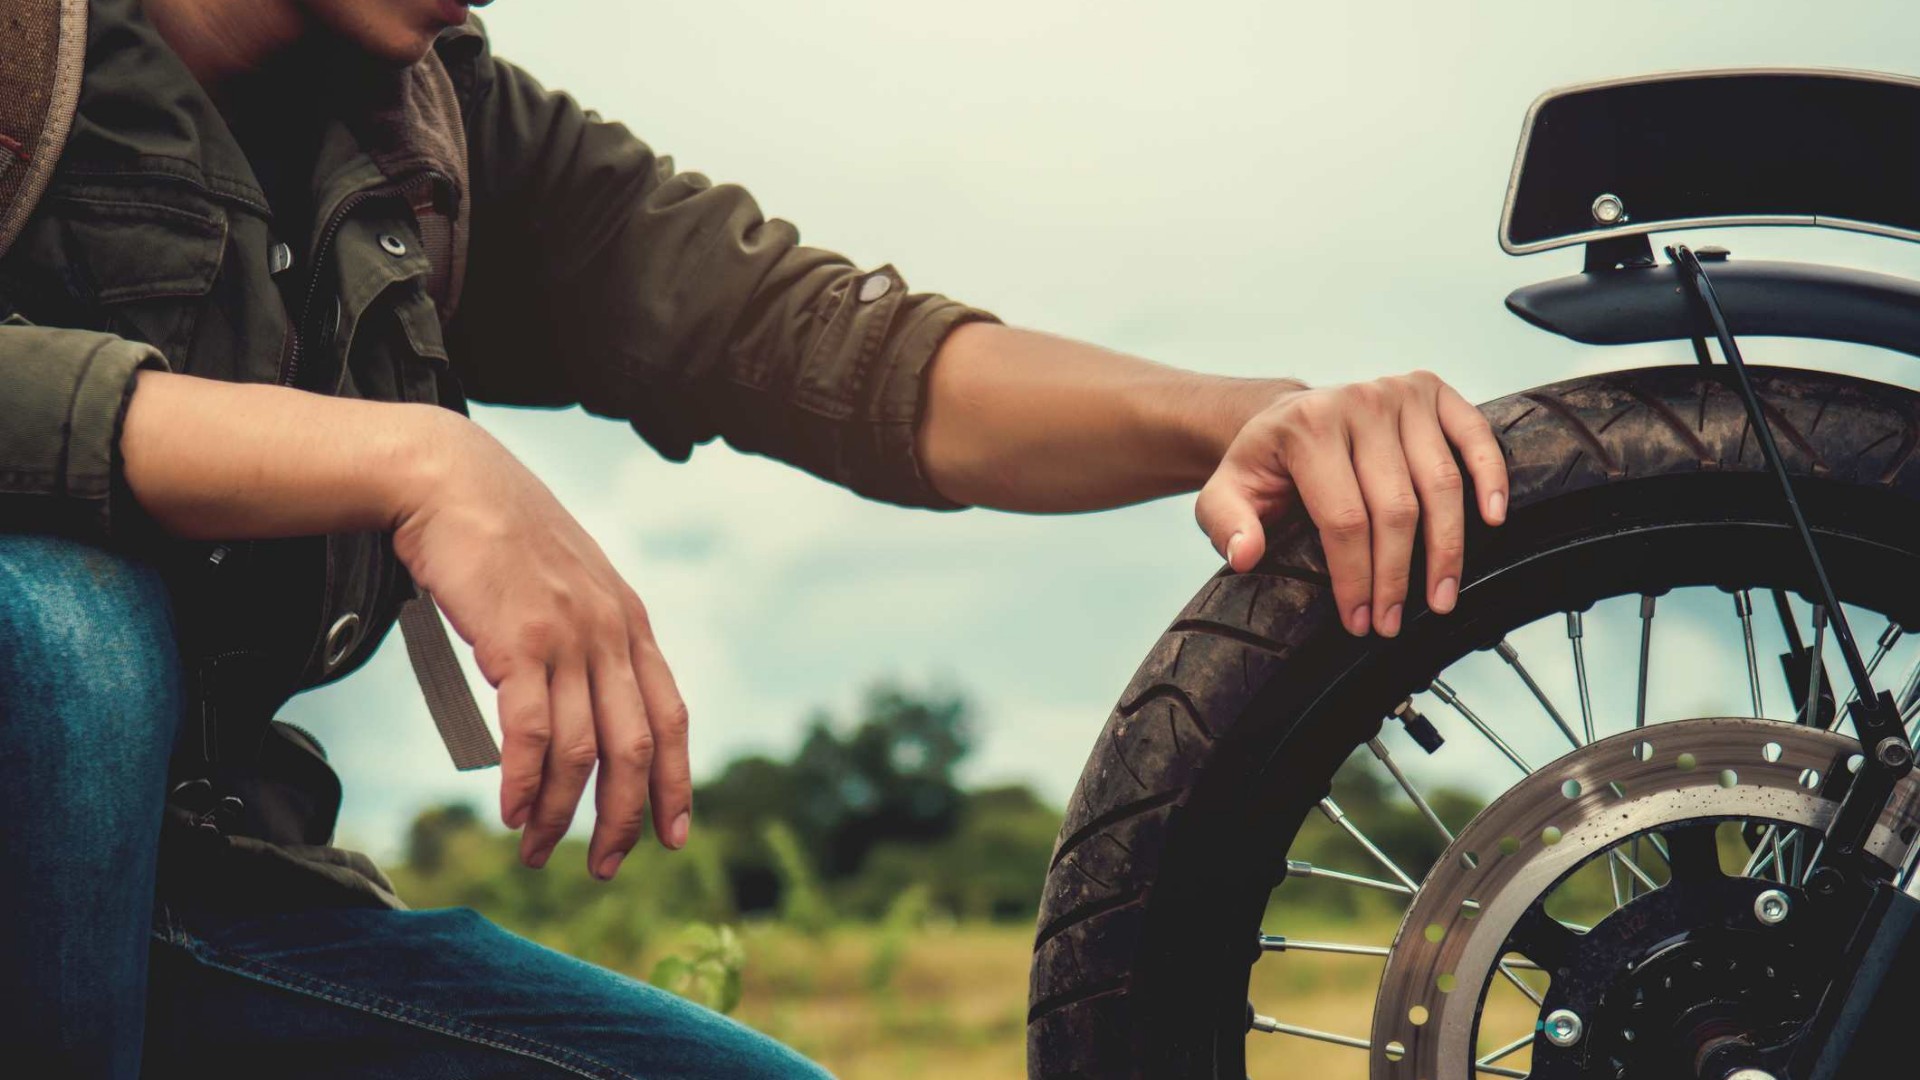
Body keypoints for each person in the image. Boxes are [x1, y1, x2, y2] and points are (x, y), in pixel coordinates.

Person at [0, 0, 1510, 1075]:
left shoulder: (436, 128)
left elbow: (829, 348)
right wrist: (414, 457)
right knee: (60, 626)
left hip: (202, 907)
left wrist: (1249, 416)